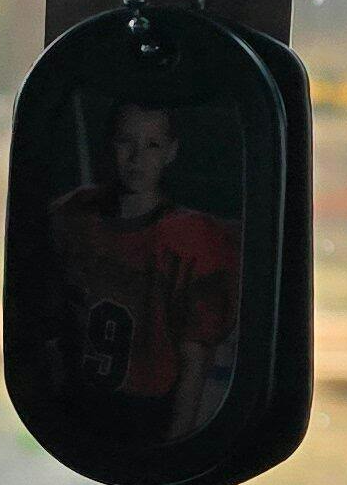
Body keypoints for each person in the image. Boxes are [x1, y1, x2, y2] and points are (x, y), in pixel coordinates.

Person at [47, 101, 242, 441]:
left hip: (144, 413)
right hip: (77, 401)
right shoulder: (74, 216)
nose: (137, 157)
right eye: (126, 141)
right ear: (110, 144)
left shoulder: (191, 240)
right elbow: (48, 321)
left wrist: (175, 447)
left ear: (171, 152)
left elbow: (195, 359)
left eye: (152, 145)